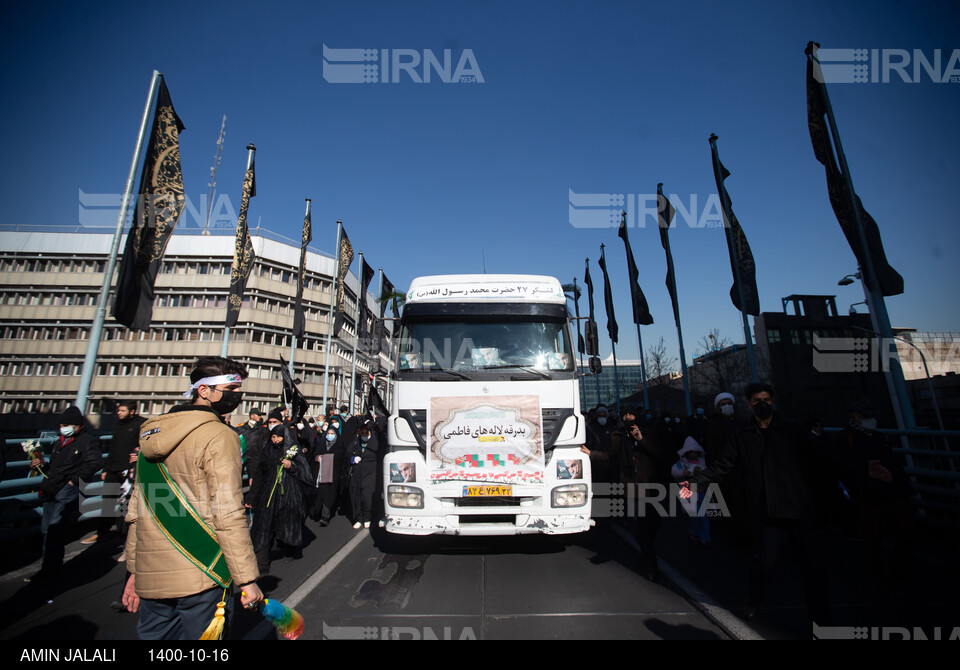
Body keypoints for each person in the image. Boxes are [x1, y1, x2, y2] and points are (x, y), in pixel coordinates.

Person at [121, 356, 263, 640]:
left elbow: (140, 508)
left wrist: (133, 571)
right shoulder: (219, 435)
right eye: (231, 389)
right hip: (201, 574)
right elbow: (227, 511)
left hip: (152, 578)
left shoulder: (150, 437)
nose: (237, 396)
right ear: (204, 391)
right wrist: (247, 579)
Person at [679, 383, 830, 624]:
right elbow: (722, 465)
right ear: (749, 404)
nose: (763, 404)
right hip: (766, 508)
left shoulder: (792, 431)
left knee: (812, 566)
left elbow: (823, 458)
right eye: (757, 400)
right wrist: (695, 483)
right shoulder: (742, 435)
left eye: (767, 399)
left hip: (798, 507)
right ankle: (753, 601)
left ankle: (822, 617)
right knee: (764, 562)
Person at [837, 399, 915, 597]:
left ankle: (897, 572)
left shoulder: (881, 437)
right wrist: (864, 471)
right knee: (874, 540)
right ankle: (884, 577)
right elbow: (840, 465)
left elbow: (893, 464)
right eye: (866, 416)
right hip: (868, 497)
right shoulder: (846, 438)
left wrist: (904, 488)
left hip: (894, 494)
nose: (871, 420)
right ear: (854, 416)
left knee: (905, 534)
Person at [583, 420, 671, 581]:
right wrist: (592, 454)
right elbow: (611, 456)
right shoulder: (621, 440)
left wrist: (641, 439)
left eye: (632, 416)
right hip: (632, 491)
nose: (629, 420)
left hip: (653, 489)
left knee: (653, 526)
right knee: (642, 529)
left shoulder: (650, 436)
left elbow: (662, 455)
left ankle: (645, 549)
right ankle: (650, 565)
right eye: (625, 416)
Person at [25, 406, 102, 584]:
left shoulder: (87, 441)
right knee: (47, 530)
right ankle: (49, 568)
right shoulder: (61, 441)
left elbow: (95, 462)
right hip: (52, 488)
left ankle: (51, 571)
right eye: (61, 424)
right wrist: (41, 465)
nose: (62, 428)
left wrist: (73, 481)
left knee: (55, 529)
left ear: (77, 425)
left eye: (66, 424)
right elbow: (55, 468)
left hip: (66, 490)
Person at [251, 417, 313, 573]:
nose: (275, 439)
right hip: (269, 493)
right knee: (264, 525)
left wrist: (291, 466)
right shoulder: (267, 451)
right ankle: (262, 561)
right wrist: (252, 496)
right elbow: (259, 473)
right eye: (273, 436)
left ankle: (291, 547)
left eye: (278, 436)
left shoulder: (293, 450)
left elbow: (305, 472)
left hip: (289, 493)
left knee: (288, 521)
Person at [82, 400, 146, 548]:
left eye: (122, 410)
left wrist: (134, 465)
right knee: (108, 501)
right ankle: (102, 532)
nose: (118, 413)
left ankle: (122, 533)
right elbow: (113, 448)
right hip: (113, 469)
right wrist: (106, 469)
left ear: (131, 411)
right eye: (118, 410)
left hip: (128, 469)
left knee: (126, 502)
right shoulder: (118, 426)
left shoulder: (141, 424)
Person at [671, 436, 710, 546]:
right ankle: (693, 531)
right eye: (690, 451)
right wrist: (684, 473)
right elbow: (674, 472)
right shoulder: (681, 463)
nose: (693, 454)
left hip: (701, 491)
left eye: (694, 451)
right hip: (689, 492)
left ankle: (704, 537)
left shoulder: (701, 462)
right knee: (694, 515)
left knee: (703, 516)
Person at [311, 421, 346, 526]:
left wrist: (325, 457)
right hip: (321, 474)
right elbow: (315, 455)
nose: (329, 436)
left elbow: (340, 458)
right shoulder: (322, 445)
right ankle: (316, 511)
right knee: (319, 494)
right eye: (328, 434)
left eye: (332, 434)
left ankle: (325, 516)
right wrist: (318, 458)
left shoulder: (339, 446)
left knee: (329, 495)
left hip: (332, 475)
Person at [346, 420, 380, 529]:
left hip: (370, 473)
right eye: (362, 433)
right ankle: (358, 518)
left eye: (366, 433)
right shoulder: (356, 443)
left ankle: (367, 517)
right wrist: (352, 459)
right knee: (356, 496)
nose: (364, 435)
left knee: (367, 496)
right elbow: (347, 455)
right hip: (357, 473)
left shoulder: (374, 443)